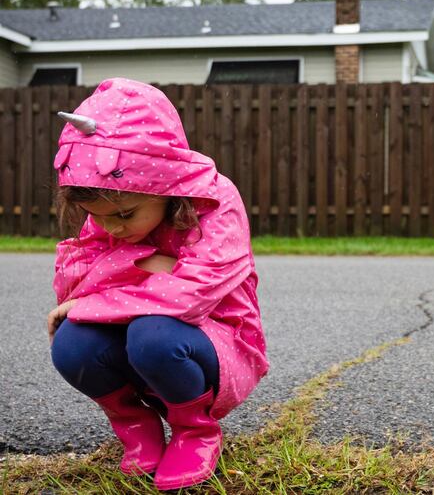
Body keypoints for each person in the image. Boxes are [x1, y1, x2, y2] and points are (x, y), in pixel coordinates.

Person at [47, 78, 269, 491]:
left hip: (218, 338)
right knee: (72, 343)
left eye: (127, 215)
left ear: (164, 184)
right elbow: (77, 275)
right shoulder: (113, 200)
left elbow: (194, 294)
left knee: (153, 332)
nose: (113, 227)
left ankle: (194, 430)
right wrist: (151, 260)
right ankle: (135, 423)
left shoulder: (215, 202)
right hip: (138, 329)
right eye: (97, 216)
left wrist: (105, 286)